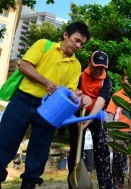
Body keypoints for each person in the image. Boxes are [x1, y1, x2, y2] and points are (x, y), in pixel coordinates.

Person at [0, 21, 91, 189]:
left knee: (40, 149)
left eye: (82, 44)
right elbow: (25, 65)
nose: (78, 46)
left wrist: (77, 94)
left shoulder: (76, 65)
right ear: (65, 35)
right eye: (76, 40)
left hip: (50, 109)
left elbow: (69, 90)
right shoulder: (44, 45)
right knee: (5, 140)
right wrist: (46, 82)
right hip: (23, 100)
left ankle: (29, 184)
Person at [67, 50, 113, 189]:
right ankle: (73, 184)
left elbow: (101, 101)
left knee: (102, 150)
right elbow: (72, 92)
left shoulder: (107, 81)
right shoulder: (80, 75)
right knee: (76, 150)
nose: (98, 70)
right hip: (78, 114)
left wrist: (89, 119)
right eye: (95, 66)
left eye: (102, 68)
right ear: (89, 64)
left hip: (96, 115)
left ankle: (105, 185)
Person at [106, 74, 131, 188]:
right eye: (127, 78)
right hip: (121, 131)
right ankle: (118, 181)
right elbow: (110, 113)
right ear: (122, 81)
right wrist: (110, 129)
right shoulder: (117, 96)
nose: (129, 81)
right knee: (118, 158)